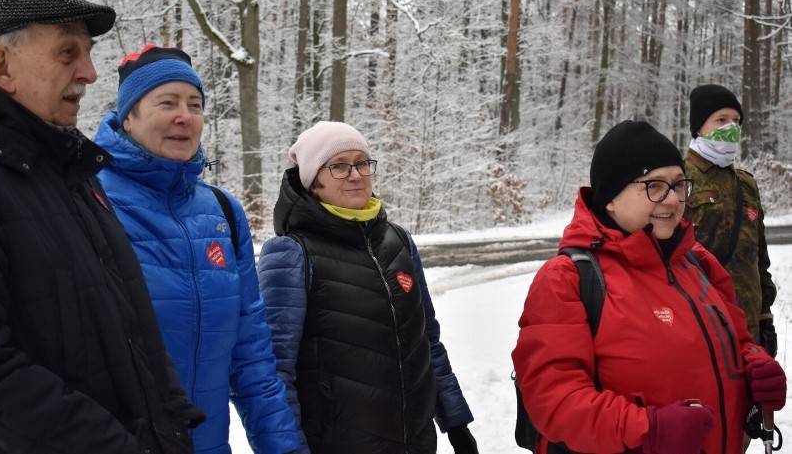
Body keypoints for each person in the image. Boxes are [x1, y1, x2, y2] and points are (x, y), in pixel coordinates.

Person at [0, 0, 205, 453]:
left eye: (88, 53)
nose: (90, 72)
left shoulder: (71, 170)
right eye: (68, 53)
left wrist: (171, 420)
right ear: (3, 67)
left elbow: (131, 319)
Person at [511, 120, 786, 454]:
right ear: (610, 197)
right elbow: (553, 401)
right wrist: (647, 430)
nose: (672, 201)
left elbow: (735, 341)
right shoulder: (568, 279)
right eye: (654, 186)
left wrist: (755, 365)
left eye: (678, 184)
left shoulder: (698, 263)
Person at [94, 44, 300, 454]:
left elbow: (251, 355)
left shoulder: (223, 212)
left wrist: (284, 448)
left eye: (195, 104)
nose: (184, 117)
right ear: (128, 117)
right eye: (166, 102)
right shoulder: (88, 201)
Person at [256, 121, 478, 454]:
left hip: (415, 442)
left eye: (361, 162)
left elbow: (427, 339)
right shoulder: (292, 252)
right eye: (339, 166)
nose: (356, 174)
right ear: (313, 181)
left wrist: (455, 420)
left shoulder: (398, 241)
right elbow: (273, 370)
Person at [684, 83, 777, 356]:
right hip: (699, 325)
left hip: (749, 329)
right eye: (721, 120)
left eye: (736, 120)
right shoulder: (678, 179)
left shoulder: (746, 184)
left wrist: (765, 319)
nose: (731, 127)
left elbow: (759, 258)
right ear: (700, 127)